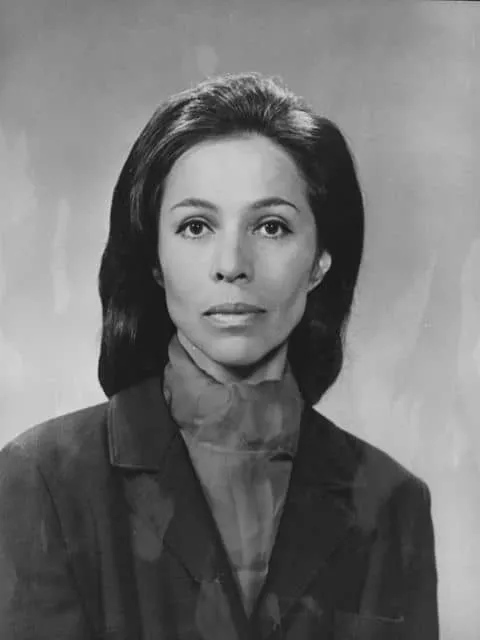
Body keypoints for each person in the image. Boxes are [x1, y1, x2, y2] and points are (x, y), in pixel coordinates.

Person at [0, 72, 438, 639]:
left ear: (320, 263)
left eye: (272, 226)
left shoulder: (391, 502)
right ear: (155, 260)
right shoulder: (42, 479)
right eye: (196, 226)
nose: (232, 264)